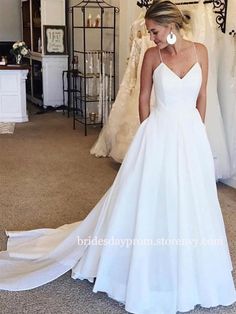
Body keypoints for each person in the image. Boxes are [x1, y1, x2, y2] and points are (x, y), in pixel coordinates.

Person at [0, 1, 235, 314]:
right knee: (149, 195)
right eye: (149, 32)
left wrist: (197, 131)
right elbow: (143, 97)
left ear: (170, 26)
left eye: (154, 31)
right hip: (158, 131)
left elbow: (203, 95)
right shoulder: (152, 55)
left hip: (190, 133)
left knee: (190, 197)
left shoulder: (201, 52)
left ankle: (187, 266)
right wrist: (149, 129)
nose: (150, 37)